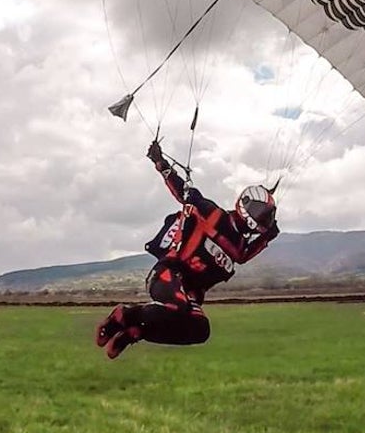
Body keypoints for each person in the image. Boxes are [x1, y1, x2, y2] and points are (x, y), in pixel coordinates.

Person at [96, 140, 281, 359]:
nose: (264, 219)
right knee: (179, 307)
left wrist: (266, 237)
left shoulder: (240, 246)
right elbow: (184, 192)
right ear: (246, 206)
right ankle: (124, 316)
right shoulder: (212, 214)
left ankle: (136, 332)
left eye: (267, 216)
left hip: (189, 293)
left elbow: (244, 255)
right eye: (262, 213)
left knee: (200, 330)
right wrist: (160, 161)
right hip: (167, 275)